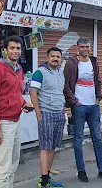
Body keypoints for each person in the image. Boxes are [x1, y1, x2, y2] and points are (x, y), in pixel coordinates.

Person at [63, 37, 102, 183]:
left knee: (97, 139)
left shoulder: (93, 61)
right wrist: (74, 101)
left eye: (87, 47)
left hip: (94, 106)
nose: (85, 49)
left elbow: (97, 80)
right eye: (82, 47)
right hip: (79, 106)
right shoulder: (71, 63)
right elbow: (66, 85)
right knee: (78, 139)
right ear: (77, 47)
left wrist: (98, 97)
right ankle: (81, 171)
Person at [0, 35, 34, 188]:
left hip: (16, 121)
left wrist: (23, 103)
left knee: (13, 163)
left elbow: (15, 94)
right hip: (3, 123)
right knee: (3, 167)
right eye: (12, 48)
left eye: (18, 48)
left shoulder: (18, 69)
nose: (15, 51)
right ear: (5, 50)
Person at [30, 47, 66, 188]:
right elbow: (33, 93)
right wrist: (38, 113)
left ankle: (47, 176)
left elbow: (60, 93)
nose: (55, 59)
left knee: (53, 148)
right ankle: (43, 181)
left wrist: (63, 111)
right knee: (45, 147)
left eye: (58, 56)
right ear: (47, 58)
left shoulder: (60, 73)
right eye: (53, 56)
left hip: (59, 115)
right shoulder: (40, 73)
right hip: (46, 114)